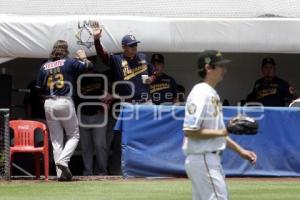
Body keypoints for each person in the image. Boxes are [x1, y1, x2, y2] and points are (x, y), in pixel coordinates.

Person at [182, 50, 257, 200]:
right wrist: (223, 132)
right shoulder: (201, 93)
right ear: (208, 68)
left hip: (206, 159)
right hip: (203, 158)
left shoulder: (211, 93)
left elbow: (220, 132)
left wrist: (241, 151)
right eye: (220, 66)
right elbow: (189, 131)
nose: (225, 69)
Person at [36, 40, 92, 181]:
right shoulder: (68, 61)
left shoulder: (44, 66)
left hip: (49, 102)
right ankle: (63, 161)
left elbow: (38, 88)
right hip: (64, 100)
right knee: (74, 135)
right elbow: (89, 66)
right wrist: (83, 57)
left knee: (56, 140)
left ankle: (61, 175)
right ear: (65, 50)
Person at [91, 21, 156, 103]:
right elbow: (102, 54)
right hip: (129, 104)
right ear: (123, 47)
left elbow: (154, 72)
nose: (134, 47)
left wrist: (151, 78)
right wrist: (97, 40)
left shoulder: (143, 56)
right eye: (131, 45)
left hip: (146, 102)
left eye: (135, 44)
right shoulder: (117, 59)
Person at [76, 60, 114, 176]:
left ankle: (102, 171)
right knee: (86, 146)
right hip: (82, 114)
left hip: (98, 114)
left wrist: (108, 101)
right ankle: (88, 172)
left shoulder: (100, 76)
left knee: (100, 145)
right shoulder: (76, 77)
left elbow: (111, 94)